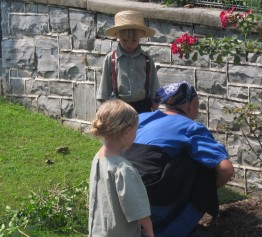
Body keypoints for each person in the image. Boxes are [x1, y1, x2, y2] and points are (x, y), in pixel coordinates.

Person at [123, 81, 234, 237]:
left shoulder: (142, 117)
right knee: (205, 169)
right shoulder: (190, 127)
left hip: (124, 188)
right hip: (154, 196)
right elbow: (226, 169)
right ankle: (173, 230)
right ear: (191, 106)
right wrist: (209, 189)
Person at [88, 99, 154, 237]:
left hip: (98, 231)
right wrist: (149, 230)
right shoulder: (123, 169)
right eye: (136, 130)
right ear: (127, 132)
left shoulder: (98, 158)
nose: (136, 135)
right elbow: (138, 209)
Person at [96, 10, 160, 113]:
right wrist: (103, 110)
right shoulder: (111, 59)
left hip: (143, 107)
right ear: (118, 37)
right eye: (125, 40)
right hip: (119, 108)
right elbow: (104, 88)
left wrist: (155, 107)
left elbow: (154, 85)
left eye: (134, 40)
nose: (129, 44)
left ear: (140, 38)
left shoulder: (146, 59)